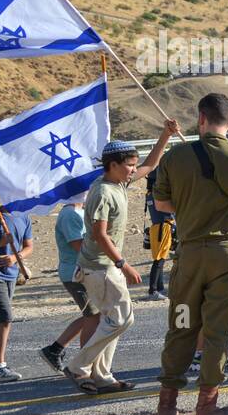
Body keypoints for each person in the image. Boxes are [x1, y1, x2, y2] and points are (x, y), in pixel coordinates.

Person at [152, 94, 228, 415]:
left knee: (181, 325)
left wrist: (191, 207)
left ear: (201, 119)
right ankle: (206, 407)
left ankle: (166, 407)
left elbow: (161, 202)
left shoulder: (175, 157)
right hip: (226, 256)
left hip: (188, 255)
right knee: (216, 331)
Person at [62, 123, 178, 395]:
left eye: (132, 165)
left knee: (111, 320)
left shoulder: (118, 183)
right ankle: (79, 367)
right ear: (112, 165)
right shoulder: (103, 192)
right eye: (128, 165)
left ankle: (102, 376)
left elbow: (150, 165)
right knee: (122, 320)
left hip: (102, 268)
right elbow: (100, 234)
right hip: (100, 268)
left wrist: (165, 135)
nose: (132, 170)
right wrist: (122, 264)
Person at [39, 199, 101, 374]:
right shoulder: (69, 214)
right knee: (93, 316)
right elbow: (78, 246)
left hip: (83, 271)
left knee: (94, 314)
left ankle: (55, 349)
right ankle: (85, 363)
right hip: (75, 274)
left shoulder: (79, 212)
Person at [0, 203, 33, 382]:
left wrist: (14, 257)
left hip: (11, 276)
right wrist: (0, 243)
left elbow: (28, 246)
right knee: (4, 318)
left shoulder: (24, 217)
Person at [143, 168, 173, 300]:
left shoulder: (149, 194)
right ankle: (153, 290)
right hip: (164, 227)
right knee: (159, 260)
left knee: (160, 258)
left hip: (156, 227)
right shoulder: (158, 193)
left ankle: (159, 287)